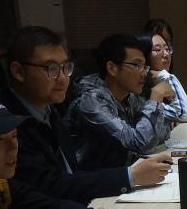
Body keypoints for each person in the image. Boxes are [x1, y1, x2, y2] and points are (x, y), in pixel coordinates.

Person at [0, 26, 171, 204]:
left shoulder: (49, 111)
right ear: (18, 72)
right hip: (76, 202)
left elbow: (163, 130)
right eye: (51, 68)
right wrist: (130, 176)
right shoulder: (8, 125)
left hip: (85, 197)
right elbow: (51, 187)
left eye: (65, 67)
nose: (63, 78)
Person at [67, 33, 174, 168]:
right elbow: (141, 143)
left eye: (144, 66)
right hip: (93, 178)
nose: (144, 73)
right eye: (136, 65)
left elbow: (161, 131)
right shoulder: (92, 101)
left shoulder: (128, 96)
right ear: (112, 68)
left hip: (121, 170)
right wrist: (156, 97)